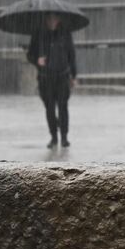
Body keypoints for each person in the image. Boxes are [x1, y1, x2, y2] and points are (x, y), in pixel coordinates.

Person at [26, 13, 77, 148]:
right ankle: (54, 136)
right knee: (49, 108)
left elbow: (71, 55)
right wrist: (37, 59)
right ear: (46, 20)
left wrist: (74, 75)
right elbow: (30, 54)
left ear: (59, 19)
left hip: (62, 76)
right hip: (45, 77)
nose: (52, 21)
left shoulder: (65, 33)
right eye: (50, 19)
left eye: (55, 18)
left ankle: (64, 137)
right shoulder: (38, 34)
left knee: (63, 107)